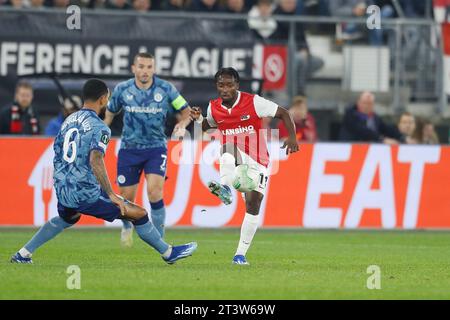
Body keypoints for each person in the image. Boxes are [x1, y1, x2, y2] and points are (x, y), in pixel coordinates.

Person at [10, 79, 197, 264]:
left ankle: (23, 253)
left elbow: (57, 150)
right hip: (84, 192)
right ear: (102, 99)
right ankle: (168, 253)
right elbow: (95, 160)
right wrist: (111, 194)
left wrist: (62, 180)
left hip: (64, 187)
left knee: (67, 218)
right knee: (138, 213)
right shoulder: (100, 127)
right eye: (107, 96)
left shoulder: (69, 120)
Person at [190, 67, 299, 265]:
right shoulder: (213, 107)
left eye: (230, 85)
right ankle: (224, 188)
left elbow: (283, 113)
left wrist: (292, 137)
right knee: (227, 146)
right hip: (235, 156)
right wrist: (198, 119)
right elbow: (209, 125)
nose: (225, 89)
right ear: (217, 86)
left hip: (258, 159)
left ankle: (240, 255)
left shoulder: (253, 101)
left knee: (253, 204)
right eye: (221, 85)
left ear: (237, 85)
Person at [104, 52, 192, 247]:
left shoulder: (166, 89)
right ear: (133, 68)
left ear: (154, 68)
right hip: (129, 149)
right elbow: (109, 115)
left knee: (154, 192)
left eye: (149, 67)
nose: (145, 71)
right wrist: (99, 136)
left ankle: (159, 239)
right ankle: (127, 227)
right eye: (141, 66)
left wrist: (183, 124)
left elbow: (186, 112)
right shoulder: (122, 90)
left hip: (156, 148)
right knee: (126, 197)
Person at [339, 91, 403, 144]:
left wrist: (401, 137)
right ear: (358, 102)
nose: (367, 106)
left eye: (369, 103)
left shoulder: (375, 118)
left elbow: (386, 129)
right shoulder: (350, 115)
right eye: (364, 103)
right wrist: (381, 139)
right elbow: (362, 131)